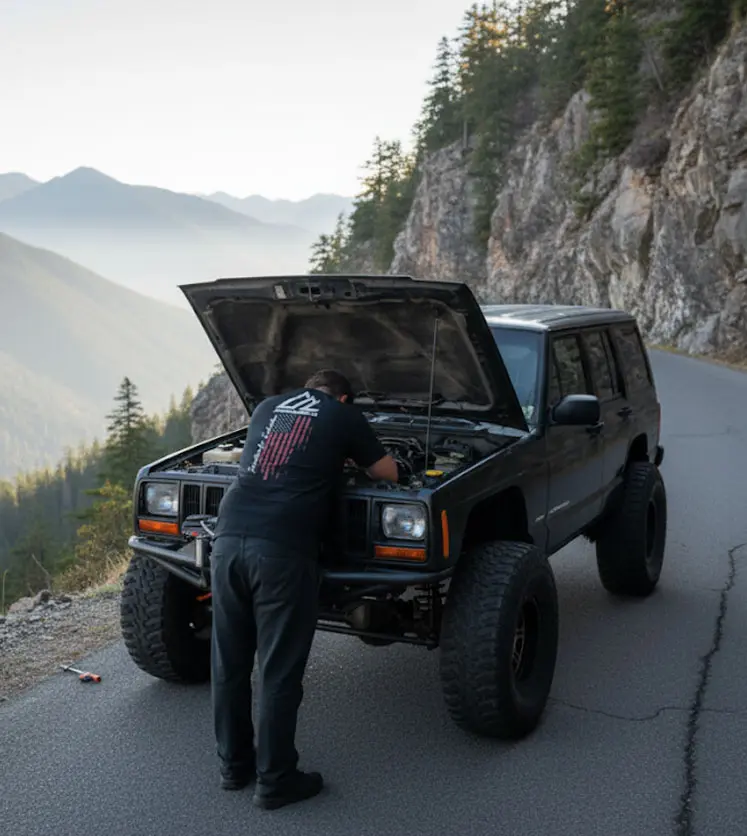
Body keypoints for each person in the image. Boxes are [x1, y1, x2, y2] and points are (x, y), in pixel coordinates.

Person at [209, 368, 398, 811]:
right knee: (278, 671)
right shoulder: (343, 416)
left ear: (308, 388)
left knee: (230, 663)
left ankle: (233, 767)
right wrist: (352, 458)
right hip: (280, 551)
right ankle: (275, 780)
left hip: (227, 540)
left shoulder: (266, 406)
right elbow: (386, 471)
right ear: (345, 399)